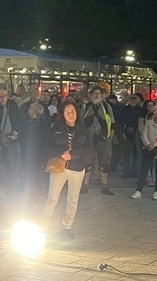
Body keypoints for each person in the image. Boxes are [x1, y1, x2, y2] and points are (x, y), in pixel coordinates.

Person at [41, 100, 95, 239]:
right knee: (52, 198)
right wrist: (61, 153)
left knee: (73, 199)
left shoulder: (84, 130)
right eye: (67, 112)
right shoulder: (56, 129)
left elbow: (89, 149)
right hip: (59, 166)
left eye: (72, 111)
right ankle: (43, 226)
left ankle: (67, 227)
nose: (70, 114)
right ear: (62, 114)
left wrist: (73, 154)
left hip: (77, 168)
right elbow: (47, 146)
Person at [0, 85, 23, 200]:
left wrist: (16, 132)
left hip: (10, 137)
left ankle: (10, 191)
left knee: (10, 166)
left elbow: (17, 119)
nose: (1, 98)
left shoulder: (12, 104)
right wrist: (1, 107)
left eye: (3, 96)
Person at [81, 86, 116, 195]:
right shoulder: (85, 107)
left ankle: (104, 187)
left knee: (104, 162)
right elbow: (80, 122)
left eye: (99, 93)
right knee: (87, 162)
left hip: (104, 139)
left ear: (102, 95)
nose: (96, 95)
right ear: (90, 96)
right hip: (89, 139)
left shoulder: (106, 106)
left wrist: (110, 137)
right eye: (94, 93)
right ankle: (85, 186)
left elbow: (113, 122)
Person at [133, 104, 157, 200]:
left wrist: (154, 144)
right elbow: (144, 134)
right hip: (148, 149)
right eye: (155, 111)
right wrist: (147, 144)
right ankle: (138, 191)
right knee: (144, 170)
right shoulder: (149, 122)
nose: (156, 113)